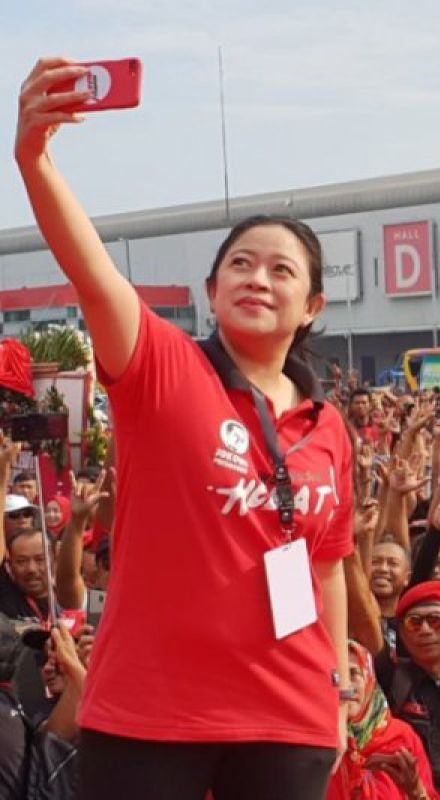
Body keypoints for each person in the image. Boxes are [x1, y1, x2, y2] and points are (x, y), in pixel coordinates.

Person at [17, 57, 354, 799]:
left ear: (312, 307)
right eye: (239, 263)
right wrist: (33, 156)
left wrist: (335, 694)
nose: (257, 278)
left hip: (288, 719)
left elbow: (326, 569)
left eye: (280, 270)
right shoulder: (160, 368)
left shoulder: (328, 426)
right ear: (210, 290)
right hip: (150, 714)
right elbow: (89, 267)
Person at [382, 581, 440, 800]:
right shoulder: (390, 678)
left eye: (435, 620)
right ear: (402, 634)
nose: (424, 630)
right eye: (414, 622)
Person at [328, 642, 439, 800]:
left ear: (369, 678)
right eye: (338, 676)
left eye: (353, 674)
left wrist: (415, 790)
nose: (346, 687)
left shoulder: (402, 737)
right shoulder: (317, 739)